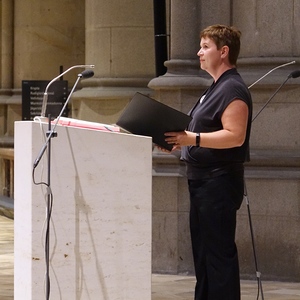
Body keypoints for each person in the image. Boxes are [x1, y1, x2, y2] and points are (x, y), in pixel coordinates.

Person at [161, 24, 252, 300]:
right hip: (202, 183)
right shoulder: (214, 88)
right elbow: (200, 133)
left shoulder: (233, 88)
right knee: (203, 258)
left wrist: (192, 139)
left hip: (219, 183)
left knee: (218, 259)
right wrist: (179, 142)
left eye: (205, 47)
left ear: (223, 52)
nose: (199, 52)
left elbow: (235, 136)